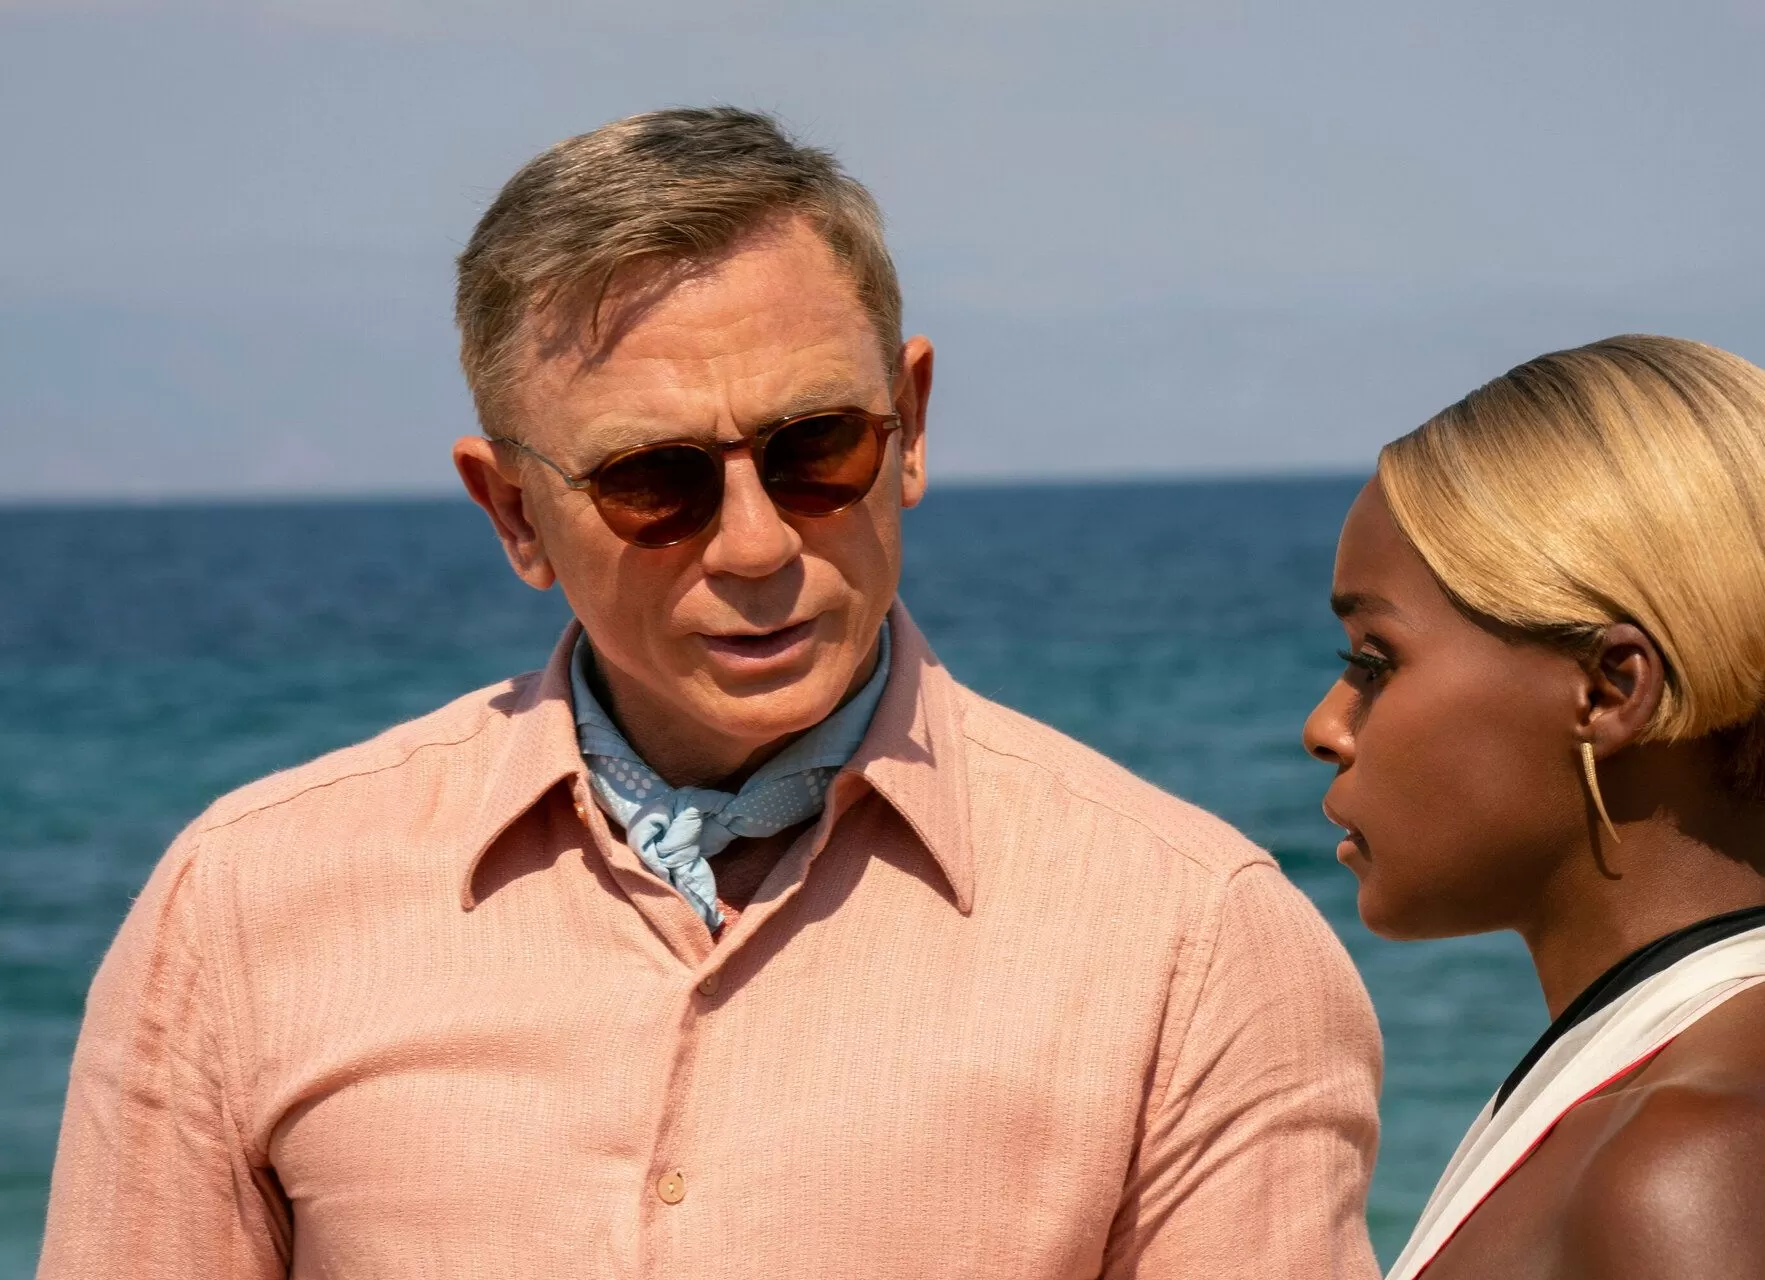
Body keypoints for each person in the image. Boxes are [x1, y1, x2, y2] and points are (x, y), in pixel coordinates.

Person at [40, 106, 1380, 1278]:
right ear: (513, 513)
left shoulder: (1191, 945)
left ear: (911, 425)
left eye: (816, 447)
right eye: (653, 481)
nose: (753, 543)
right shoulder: (241, 911)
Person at [1306, 335, 1765, 1280]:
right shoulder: (1667, 1094)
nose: (1326, 727)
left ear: (1606, 689)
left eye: (1372, 661)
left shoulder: (1686, 1160)